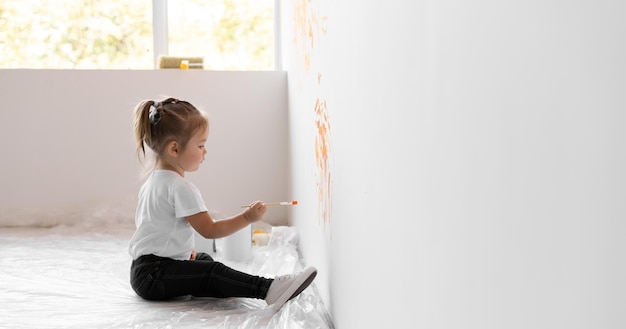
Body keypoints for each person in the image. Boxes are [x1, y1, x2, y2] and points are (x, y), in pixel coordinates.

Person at [128, 97, 316, 311]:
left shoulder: (154, 180)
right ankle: (268, 289)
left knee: (203, 260)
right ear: (174, 149)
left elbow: (156, 228)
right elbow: (210, 230)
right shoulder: (180, 187)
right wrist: (247, 218)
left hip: (144, 271)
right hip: (155, 275)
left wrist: (179, 252)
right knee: (212, 271)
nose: (205, 151)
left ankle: (221, 285)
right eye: (200, 145)